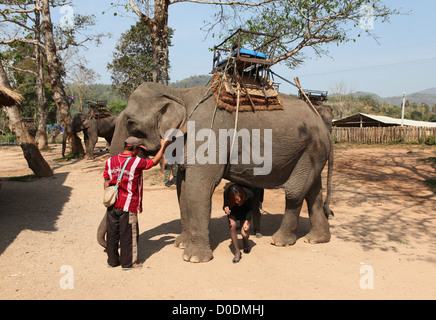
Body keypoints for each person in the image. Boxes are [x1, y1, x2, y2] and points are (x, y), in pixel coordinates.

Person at [103, 136, 169, 270]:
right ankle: (128, 263)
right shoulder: (137, 162)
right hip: (128, 205)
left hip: (112, 203)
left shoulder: (110, 161)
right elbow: (154, 162)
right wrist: (163, 146)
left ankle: (112, 261)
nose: (139, 152)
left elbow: (106, 180)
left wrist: (111, 195)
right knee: (129, 234)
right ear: (133, 148)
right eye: (138, 149)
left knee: (112, 233)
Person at [223, 184, 255, 263]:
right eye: (236, 199)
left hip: (245, 212)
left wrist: (247, 221)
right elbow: (225, 205)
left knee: (244, 233)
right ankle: (237, 251)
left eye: (240, 197)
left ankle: (245, 241)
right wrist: (225, 208)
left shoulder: (249, 194)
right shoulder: (227, 192)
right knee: (232, 226)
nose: (239, 200)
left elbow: (251, 209)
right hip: (233, 212)